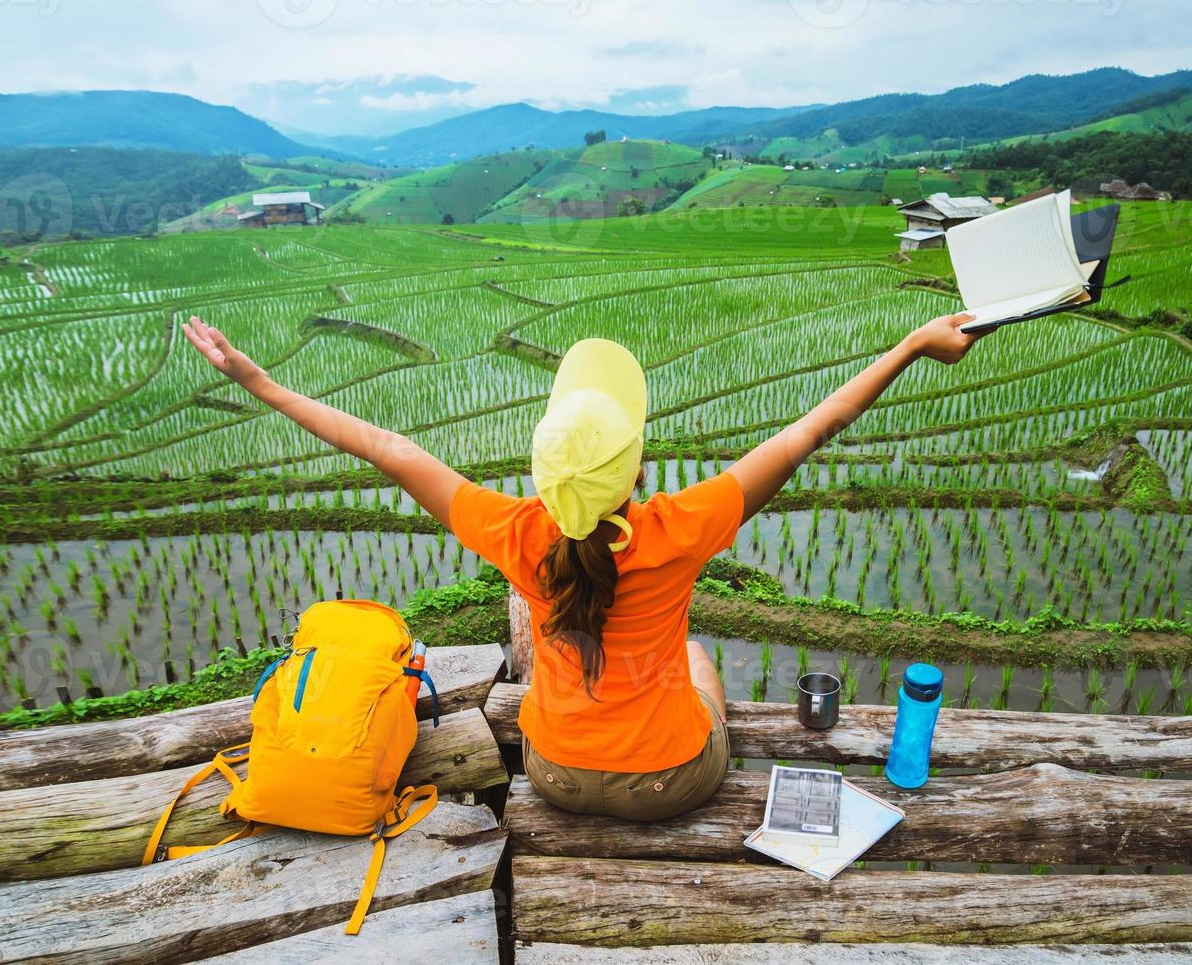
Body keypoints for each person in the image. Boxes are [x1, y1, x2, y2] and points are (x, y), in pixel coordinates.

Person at [182, 311, 985, 821]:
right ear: (637, 470)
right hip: (671, 782)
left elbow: (387, 449)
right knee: (696, 657)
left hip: (554, 775)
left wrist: (254, 379)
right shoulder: (680, 525)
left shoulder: (517, 532)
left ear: (543, 478)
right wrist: (913, 345)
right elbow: (813, 429)